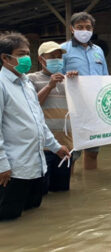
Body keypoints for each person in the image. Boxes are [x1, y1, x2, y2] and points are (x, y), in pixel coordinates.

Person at [0, 32, 70, 220]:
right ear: (5, 58)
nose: (26, 58)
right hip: (13, 170)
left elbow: (38, 121)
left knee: (33, 215)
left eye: (27, 53)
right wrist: (2, 164)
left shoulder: (26, 83)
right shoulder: (1, 85)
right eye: (21, 54)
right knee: (10, 219)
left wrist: (56, 147)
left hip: (36, 167)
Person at [27, 42, 79, 193]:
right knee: (41, 192)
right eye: (52, 56)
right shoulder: (31, 79)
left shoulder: (67, 81)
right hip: (43, 145)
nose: (57, 59)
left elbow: (81, 107)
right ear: (41, 59)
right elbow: (29, 106)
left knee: (62, 192)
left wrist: (76, 83)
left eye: (59, 56)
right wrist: (49, 86)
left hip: (65, 144)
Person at [61, 11, 108, 170]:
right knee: (72, 152)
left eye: (88, 27)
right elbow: (56, 77)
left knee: (93, 150)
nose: (84, 30)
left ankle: (90, 186)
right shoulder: (63, 50)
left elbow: (105, 78)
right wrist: (67, 76)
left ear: (92, 29)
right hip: (73, 109)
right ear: (72, 29)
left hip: (94, 108)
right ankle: (69, 184)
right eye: (80, 27)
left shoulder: (98, 51)